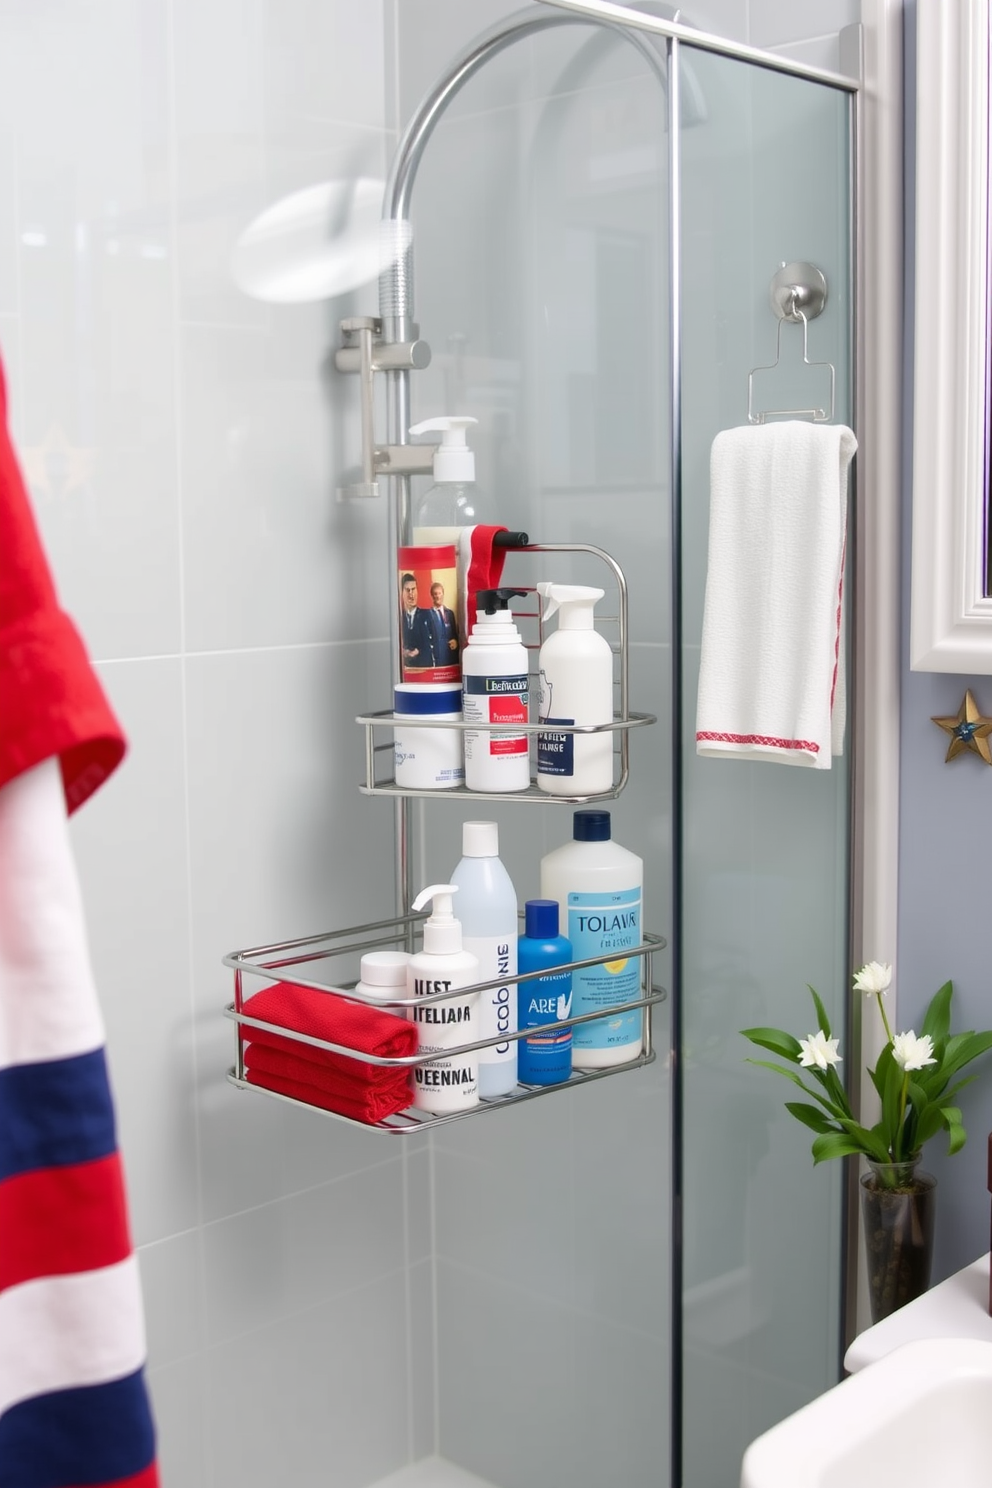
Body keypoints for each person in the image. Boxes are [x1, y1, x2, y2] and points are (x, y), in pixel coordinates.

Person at [399, 572, 435, 670]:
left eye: (413, 589)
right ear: (401, 593)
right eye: (408, 590)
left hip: (425, 669)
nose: (411, 594)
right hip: (407, 670)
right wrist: (403, 652)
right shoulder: (398, 617)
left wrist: (419, 651)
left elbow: (435, 642)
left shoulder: (428, 614)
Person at [427, 581, 459, 663]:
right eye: (435, 594)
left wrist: (455, 641)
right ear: (432, 596)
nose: (438, 596)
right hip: (437, 658)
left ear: (443, 594)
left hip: (451, 656)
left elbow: (455, 634)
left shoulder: (450, 613)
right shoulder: (428, 615)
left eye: (439, 593)